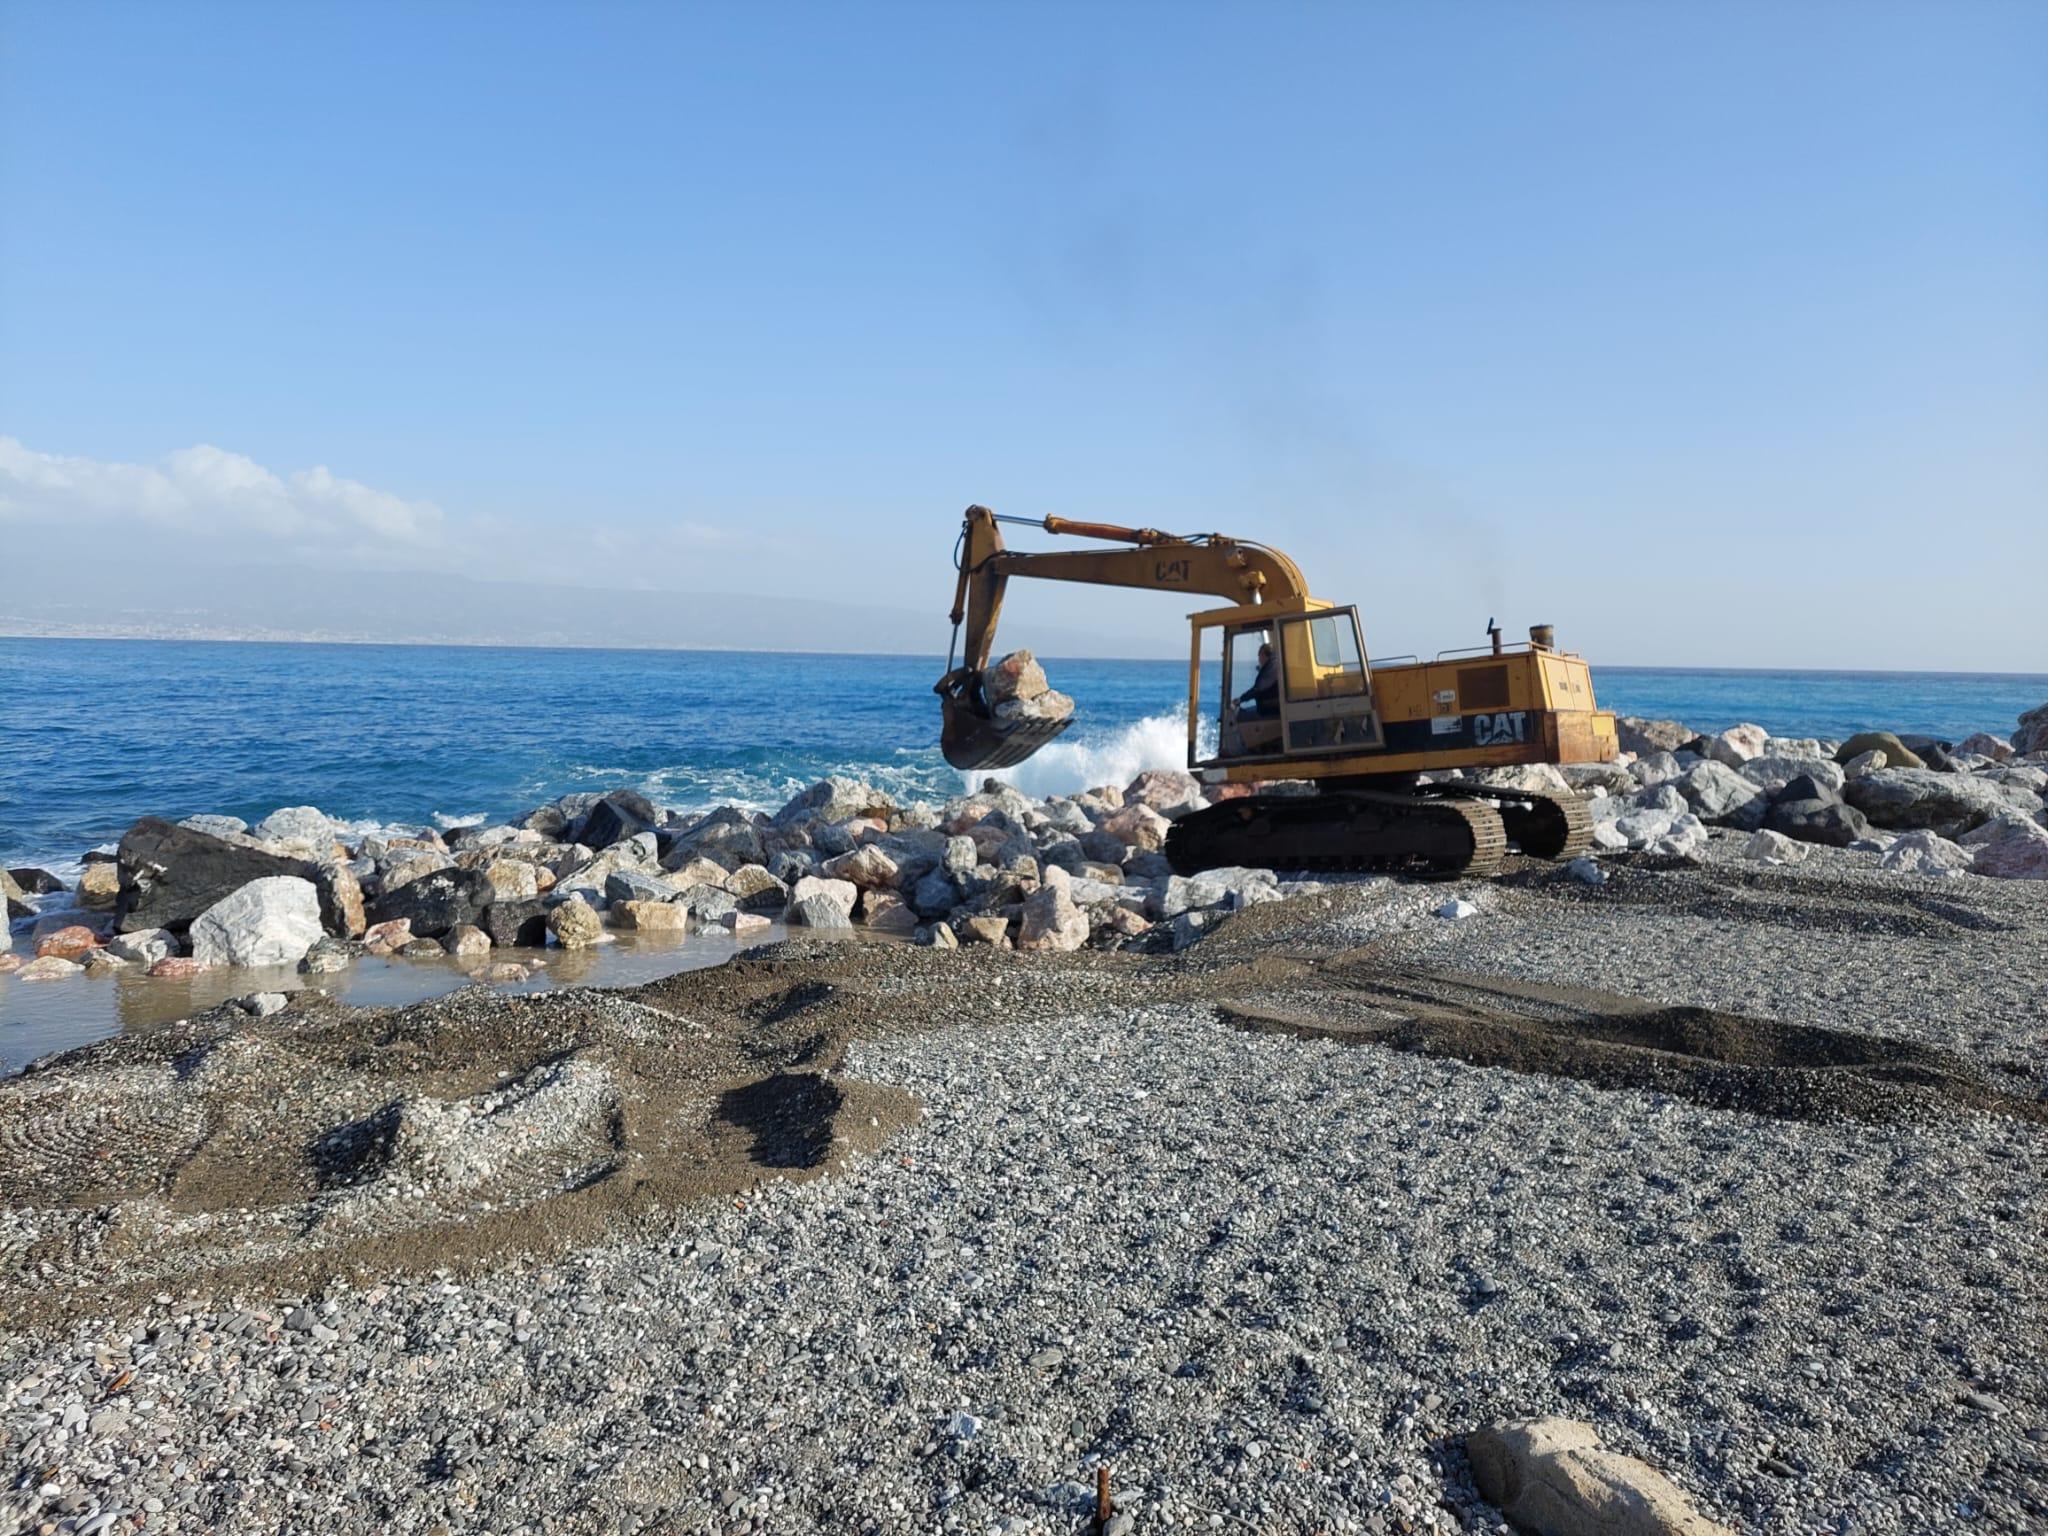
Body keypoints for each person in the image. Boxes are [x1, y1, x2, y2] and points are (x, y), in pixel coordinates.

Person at [1237, 642, 1279, 717]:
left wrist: (1240, 699)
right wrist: (1261, 670)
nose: (1258, 659)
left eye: (1259, 655)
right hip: (1270, 707)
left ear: (1263, 655)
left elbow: (1258, 689)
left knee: (1239, 717)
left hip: (1269, 712)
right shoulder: (1272, 665)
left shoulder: (1271, 669)